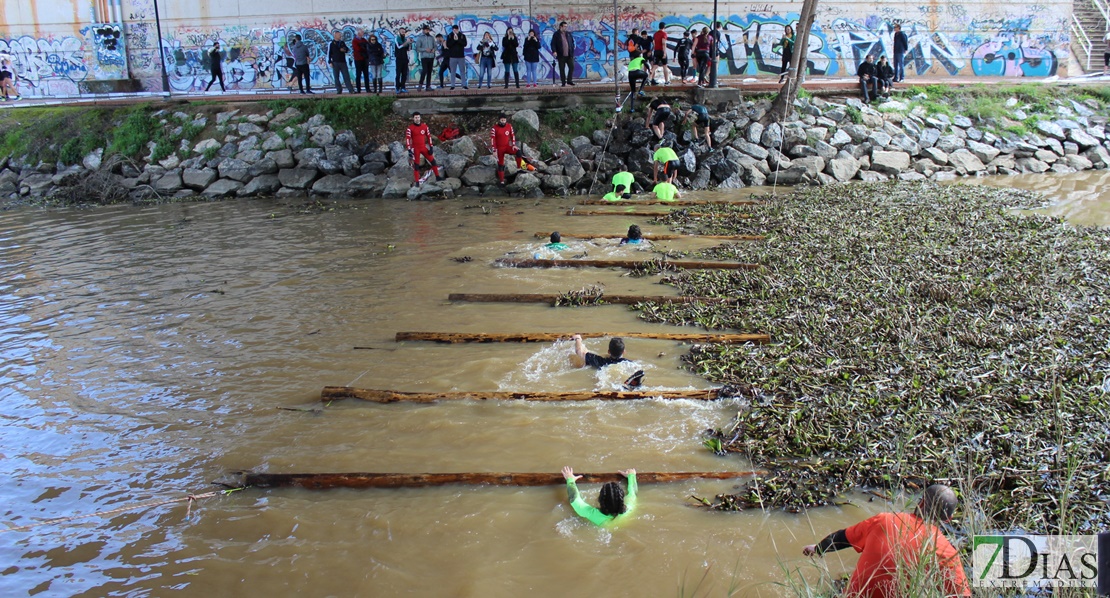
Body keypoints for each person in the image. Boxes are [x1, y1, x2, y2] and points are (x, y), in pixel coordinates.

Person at [802, 484, 971, 598]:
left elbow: (842, 538)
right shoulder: (948, 553)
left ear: (921, 502)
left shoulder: (884, 520)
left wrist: (817, 548)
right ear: (948, 519)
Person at [561, 466, 637, 527]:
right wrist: (631, 476)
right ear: (621, 499)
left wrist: (570, 480)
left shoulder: (592, 514)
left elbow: (574, 499)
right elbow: (633, 492)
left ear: (600, 499)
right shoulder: (629, 509)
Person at [490, 112, 536, 184]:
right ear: (499, 120)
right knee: (500, 165)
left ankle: (518, 169)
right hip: (499, 149)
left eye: (504, 120)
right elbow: (493, 140)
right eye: (502, 120)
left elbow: (512, 135)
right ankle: (502, 181)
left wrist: (513, 144)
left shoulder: (509, 126)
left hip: (507, 146)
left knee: (518, 152)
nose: (503, 122)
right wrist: (494, 150)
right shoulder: (494, 128)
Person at [405, 112, 442, 184]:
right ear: (413, 118)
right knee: (416, 165)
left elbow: (429, 136)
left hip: (423, 147)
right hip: (415, 149)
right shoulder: (410, 128)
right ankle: (417, 182)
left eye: (418, 117)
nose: (417, 119)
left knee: (433, 161)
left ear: (420, 118)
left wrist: (431, 147)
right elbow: (408, 139)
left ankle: (437, 177)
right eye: (415, 117)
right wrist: (409, 150)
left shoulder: (424, 126)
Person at [414, 25, 438, 92]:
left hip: (431, 56)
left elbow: (435, 46)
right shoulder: (420, 38)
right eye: (426, 30)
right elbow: (417, 48)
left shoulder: (431, 38)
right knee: (424, 70)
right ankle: (420, 85)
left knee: (429, 71)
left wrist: (434, 49)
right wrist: (425, 49)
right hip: (424, 56)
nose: (427, 31)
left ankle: (428, 86)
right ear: (423, 30)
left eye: (428, 30)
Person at [552, 21, 575, 86]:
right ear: (560, 27)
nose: (565, 28)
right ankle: (563, 82)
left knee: (572, 67)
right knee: (562, 69)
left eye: (566, 26)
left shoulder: (568, 34)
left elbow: (572, 42)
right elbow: (553, 44)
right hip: (561, 55)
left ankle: (569, 80)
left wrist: (572, 49)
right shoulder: (556, 34)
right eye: (564, 26)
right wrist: (554, 51)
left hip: (569, 54)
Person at [447, 25, 469, 90]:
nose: (455, 30)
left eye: (456, 29)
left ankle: (464, 84)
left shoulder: (462, 36)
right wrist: (454, 40)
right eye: (453, 29)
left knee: (462, 71)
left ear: (458, 29)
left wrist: (458, 39)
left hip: (461, 56)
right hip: (452, 56)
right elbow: (448, 45)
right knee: (453, 71)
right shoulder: (450, 36)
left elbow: (464, 44)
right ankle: (452, 85)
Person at [393, 27, 411, 93]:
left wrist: (409, 43)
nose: (403, 33)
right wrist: (406, 42)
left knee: (404, 74)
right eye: (402, 31)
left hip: (405, 58)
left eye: (404, 31)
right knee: (398, 74)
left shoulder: (405, 39)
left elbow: (408, 49)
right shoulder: (397, 38)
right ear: (399, 32)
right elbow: (399, 46)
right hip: (399, 58)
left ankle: (403, 87)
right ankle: (397, 87)